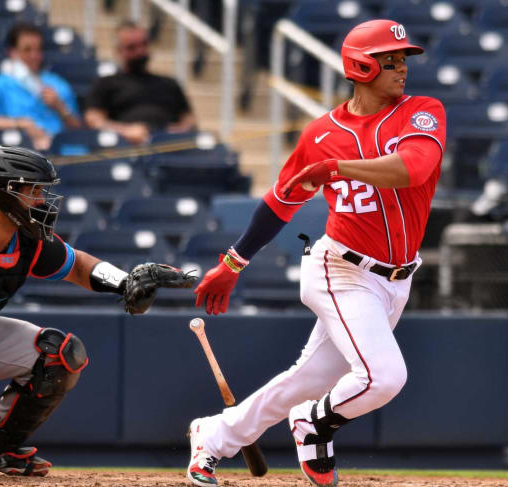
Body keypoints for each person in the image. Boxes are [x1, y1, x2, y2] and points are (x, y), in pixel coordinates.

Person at [187, 19, 446, 487]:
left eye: (404, 59)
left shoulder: (422, 112)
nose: (402, 68)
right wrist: (232, 263)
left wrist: (338, 167)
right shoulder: (321, 134)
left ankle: (214, 435)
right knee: (383, 377)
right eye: (391, 59)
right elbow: (279, 202)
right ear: (361, 65)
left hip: (396, 279)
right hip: (341, 271)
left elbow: (413, 168)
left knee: (306, 379)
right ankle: (312, 426)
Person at [0, 145, 195, 476]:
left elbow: (78, 266)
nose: (42, 200)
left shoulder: (27, 240)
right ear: (5, 191)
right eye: (34, 191)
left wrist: (127, 283)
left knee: (59, 355)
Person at [84, 20, 196, 145]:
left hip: (168, 147)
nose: (140, 52)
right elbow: (93, 120)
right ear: (118, 51)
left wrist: (180, 130)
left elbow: (189, 119)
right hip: (123, 149)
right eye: (132, 47)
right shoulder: (106, 84)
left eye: (144, 45)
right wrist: (124, 131)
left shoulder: (169, 83)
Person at [0, 23, 82, 151]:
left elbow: (77, 129)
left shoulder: (57, 84)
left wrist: (60, 108)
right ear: (12, 52)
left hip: (63, 153)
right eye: (27, 50)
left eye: (38, 49)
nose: (34, 56)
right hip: (19, 154)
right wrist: (22, 124)